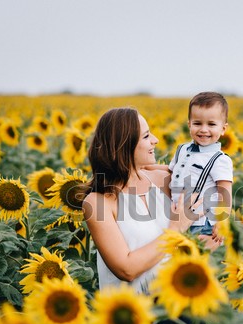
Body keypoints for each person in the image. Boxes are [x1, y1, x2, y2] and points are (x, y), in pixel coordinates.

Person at [83, 107, 207, 295]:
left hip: (182, 299)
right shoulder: (98, 203)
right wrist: (175, 229)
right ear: (123, 145)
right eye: (146, 136)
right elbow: (127, 269)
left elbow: (208, 180)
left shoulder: (162, 179)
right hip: (135, 316)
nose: (155, 140)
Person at [150, 92, 233, 240]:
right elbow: (170, 171)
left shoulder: (220, 159)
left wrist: (222, 221)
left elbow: (225, 192)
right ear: (189, 124)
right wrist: (147, 168)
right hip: (177, 216)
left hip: (202, 222)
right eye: (197, 123)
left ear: (223, 129)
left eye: (211, 124)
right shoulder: (182, 149)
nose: (203, 129)